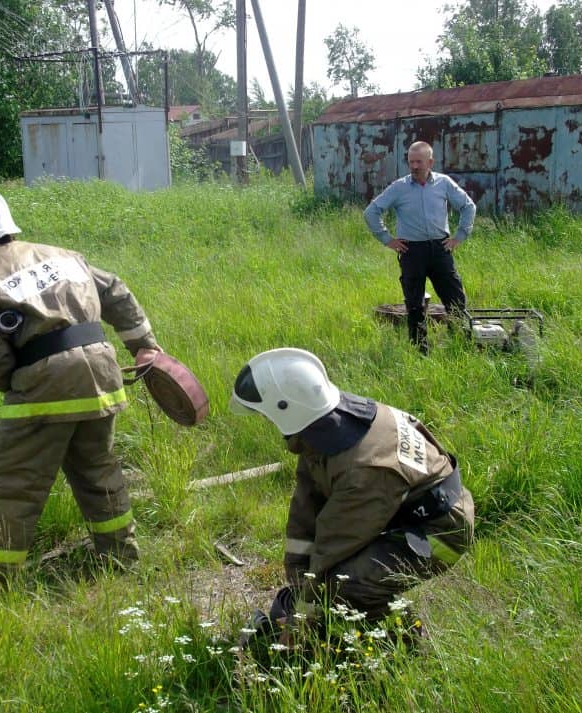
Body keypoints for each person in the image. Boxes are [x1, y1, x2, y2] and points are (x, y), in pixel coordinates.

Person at [0, 186, 161, 592]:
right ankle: (121, 557)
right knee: (97, 468)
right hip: (102, 374)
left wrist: (19, 382)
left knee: (9, 481)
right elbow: (115, 290)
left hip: (47, 384)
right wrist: (144, 344)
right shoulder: (64, 256)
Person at [230, 348, 473, 638]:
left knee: (343, 586)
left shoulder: (364, 471)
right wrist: (297, 577)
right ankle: (346, 621)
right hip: (401, 514)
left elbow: (332, 548)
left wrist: (301, 621)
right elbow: (306, 505)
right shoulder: (326, 428)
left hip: (440, 533)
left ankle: (402, 638)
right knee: (319, 590)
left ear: (289, 409)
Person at [364, 141, 476, 353]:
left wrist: (459, 237)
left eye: (419, 162)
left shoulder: (444, 183)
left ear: (430, 162)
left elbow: (468, 206)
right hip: (411, 251)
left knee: (455, 298)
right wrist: (388, 240)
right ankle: (420, 349)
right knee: (414, 302)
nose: (414, 166)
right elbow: (371, 212)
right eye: (411, 162)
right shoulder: (399, 187)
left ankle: (459, 343)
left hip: (440, 249)